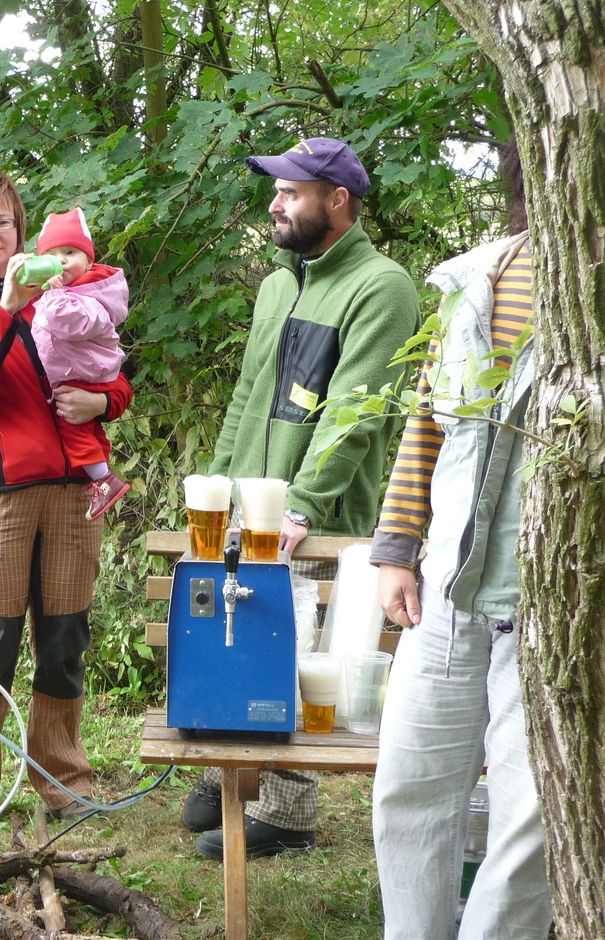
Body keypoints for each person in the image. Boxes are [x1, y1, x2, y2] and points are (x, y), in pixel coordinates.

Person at [180, 137, 419, 861]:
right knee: (235, 636)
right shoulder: (278, 285)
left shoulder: (383, 286)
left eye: (290, 191)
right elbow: (248, 398)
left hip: (317, 517)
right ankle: (236, 773)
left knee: (293, 648)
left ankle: (288, 812)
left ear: (336, 200)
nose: (275, 203)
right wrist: (216, 490)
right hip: (246, 508)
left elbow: (356, 410)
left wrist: (302, 506)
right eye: (274, 191)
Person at [371, 144, 552, 940]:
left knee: (532, 818)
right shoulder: (473, 278)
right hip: (443, 590)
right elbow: (425, 422)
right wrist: (396, 545)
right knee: (406, 793)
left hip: (556, 606)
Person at [0, 171, 133, 818]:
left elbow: (112, 371)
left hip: (74, 496)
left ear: (21, 231)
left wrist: (103, 401)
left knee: (65, 640)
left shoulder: (64, 296)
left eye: (3, 222)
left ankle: (64, 781)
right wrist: (5, 308)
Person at [27, 208, 130, 521]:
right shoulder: (65, 293)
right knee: (89, 432)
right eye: (52, 255)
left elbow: (75, 323)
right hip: (81, 375)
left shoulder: (87, 296)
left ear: (88, 260)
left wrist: (55, 295)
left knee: (71, 427)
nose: (61, 261)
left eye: (70, 252)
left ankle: (104, 481)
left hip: (82, 378)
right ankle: (100, 477)